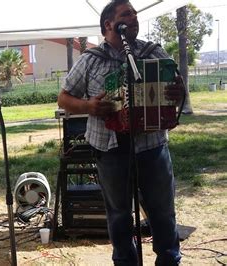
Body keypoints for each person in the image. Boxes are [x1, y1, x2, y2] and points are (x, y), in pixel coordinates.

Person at [57, 0, 183, 265]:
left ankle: (169, 260)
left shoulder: (152, 52)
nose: (134, 17)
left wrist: (176, 92)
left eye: (135, 14)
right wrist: (88, 106)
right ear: (109, 25)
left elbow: (176, 88)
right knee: (119, 215)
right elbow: (64, 98)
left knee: (162, 212)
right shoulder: (90, 60)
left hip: (152, 145)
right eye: (127, 14)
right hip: (110, 148)